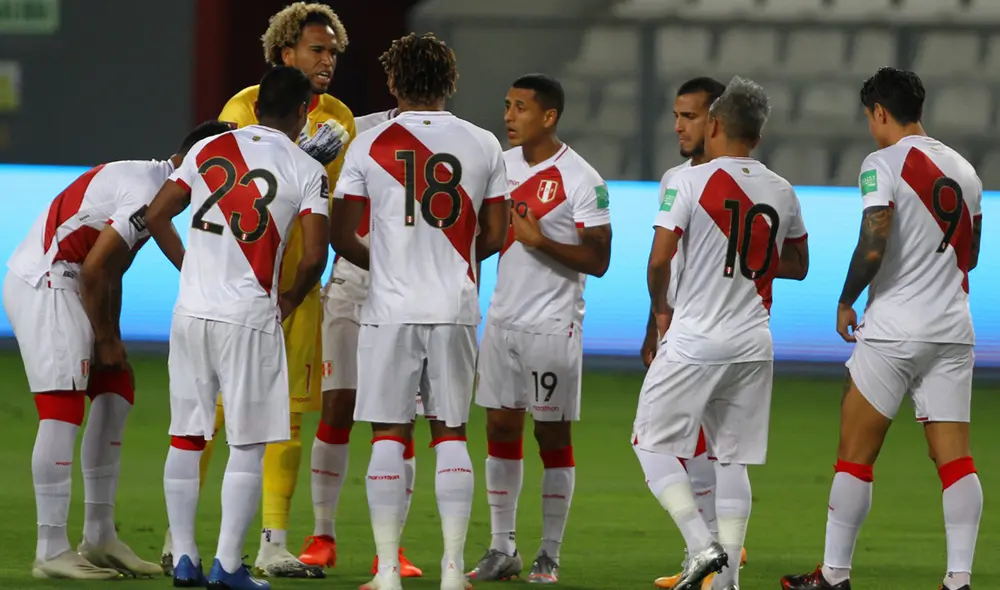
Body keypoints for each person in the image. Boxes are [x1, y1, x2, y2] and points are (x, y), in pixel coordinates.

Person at [159, 2, 355, 580]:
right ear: (286, 53)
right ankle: (216, 555)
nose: (328, 61)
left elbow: (163, 210)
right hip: (266, 295)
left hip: (211, 301)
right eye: (318, 50)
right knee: (240, 430)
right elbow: (301, 220)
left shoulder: (340, 117)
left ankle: (259, 541)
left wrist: (192, 266)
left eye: (334, 53)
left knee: (248, 422)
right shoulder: (244, 113)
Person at [781, 68, 983, 590]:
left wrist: (847, 299)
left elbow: (874, 239)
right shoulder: (965, 170)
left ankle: (833, 575)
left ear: (878, 113)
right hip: (953, 328)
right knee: (955, 459)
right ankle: (959, 580)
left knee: (856, 453)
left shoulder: (880, 163)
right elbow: (973, 256)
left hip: (894, 328)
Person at [2, 120, 231, 581]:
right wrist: (105, 337)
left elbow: (112, 269)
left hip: (73, 280)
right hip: (48, 280)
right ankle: (50, 549)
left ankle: (100, 536)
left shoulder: (153, 185)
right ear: (193, 161)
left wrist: (113, 337)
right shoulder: (148, 193)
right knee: (62, 407)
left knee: (115, 390)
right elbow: (92, 268)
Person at [329, 32, 509, 590]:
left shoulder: (367, 144)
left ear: (392, 82)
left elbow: (342, 233)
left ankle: (386, 571)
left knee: (389, 433)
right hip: (454, 305)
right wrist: (453, 258)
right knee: (450, 433)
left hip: (389, 307)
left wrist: (384, 264)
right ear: (449, 82)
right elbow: (498, 232)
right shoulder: (483, 144)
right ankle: (453, 570)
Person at [633, 76, 809, 590]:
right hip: (754, 340)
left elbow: (660, 258)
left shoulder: (689, 182)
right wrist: (747, 260)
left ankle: (700, 546)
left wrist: (662, 310)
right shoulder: (782, 190)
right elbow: (797, 264)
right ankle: (727, 581)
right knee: (733, 459)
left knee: (650, 443)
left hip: (696, 336)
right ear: (756, 134)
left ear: (714, 124)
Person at [465, 73, 612, 585]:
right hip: (502, 321)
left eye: (521, 107)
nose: (508, 116)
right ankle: (501, 547)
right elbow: (483, 239)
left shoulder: (582, 179)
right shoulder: (497, 168)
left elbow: (599, 258)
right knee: (499, 429)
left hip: (552, 327)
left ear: (549, 117)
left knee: (551, 435)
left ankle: (548, 553)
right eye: (507, 105)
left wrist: (538, 239)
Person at [299, 103, 424, 578]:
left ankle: (391, 549)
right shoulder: (359, 130)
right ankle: (322, 536)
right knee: (337, 409)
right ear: (395, 84)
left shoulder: (456, 141)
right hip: (354, 283)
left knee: (397, 422)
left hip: (410, 297)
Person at [644, 77, 749, 590]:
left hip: (705, 331)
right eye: (675, 115)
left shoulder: (736, 182)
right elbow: (668, 263)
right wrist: (653, 324)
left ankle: (712, 552)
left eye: (689, 116)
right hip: (682, 325)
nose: (679, 126)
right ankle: (711, 559)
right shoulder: (673, 178)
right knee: (699, 448)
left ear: (716, 121)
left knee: (686, 445)